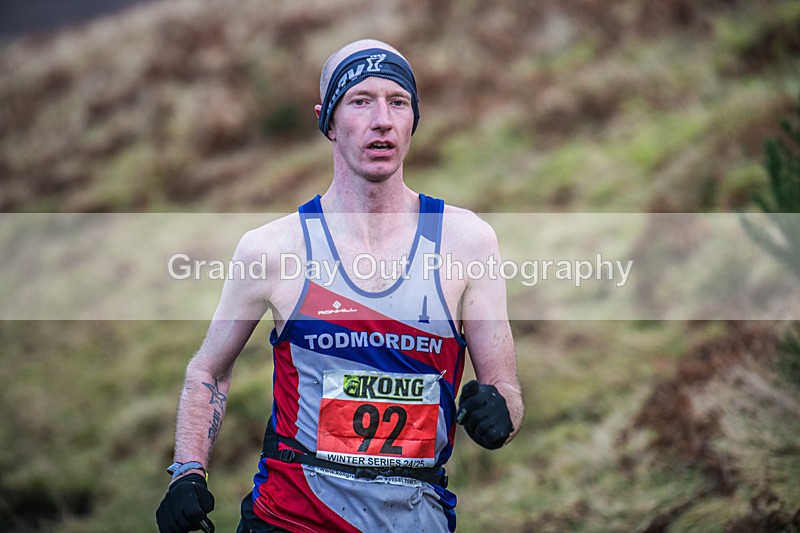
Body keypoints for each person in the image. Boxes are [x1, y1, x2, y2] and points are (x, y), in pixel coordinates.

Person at [156, 38, 524, 533]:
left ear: (414, 120)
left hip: (414, 518)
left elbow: (505, 389)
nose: (382, 120)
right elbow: (209, 369)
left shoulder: (467, 242)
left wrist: (500, 413)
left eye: (398, 102)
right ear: (327, 121)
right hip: (289, 519)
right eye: (360, 101)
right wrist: (187, 472)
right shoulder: (272, 249)